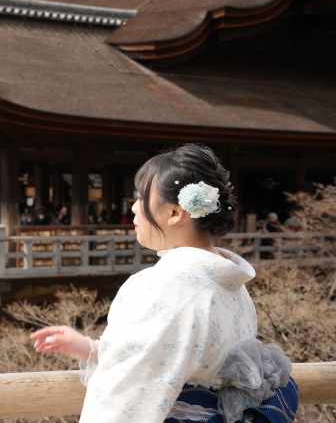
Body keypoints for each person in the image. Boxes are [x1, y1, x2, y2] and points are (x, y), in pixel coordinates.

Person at [30, 144, 298, 423]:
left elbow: (127, 391)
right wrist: (90, 349)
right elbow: (177, 358)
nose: (133, 208)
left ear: (174, 213)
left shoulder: (165, 287)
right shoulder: (234, 285)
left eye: (141, 198)